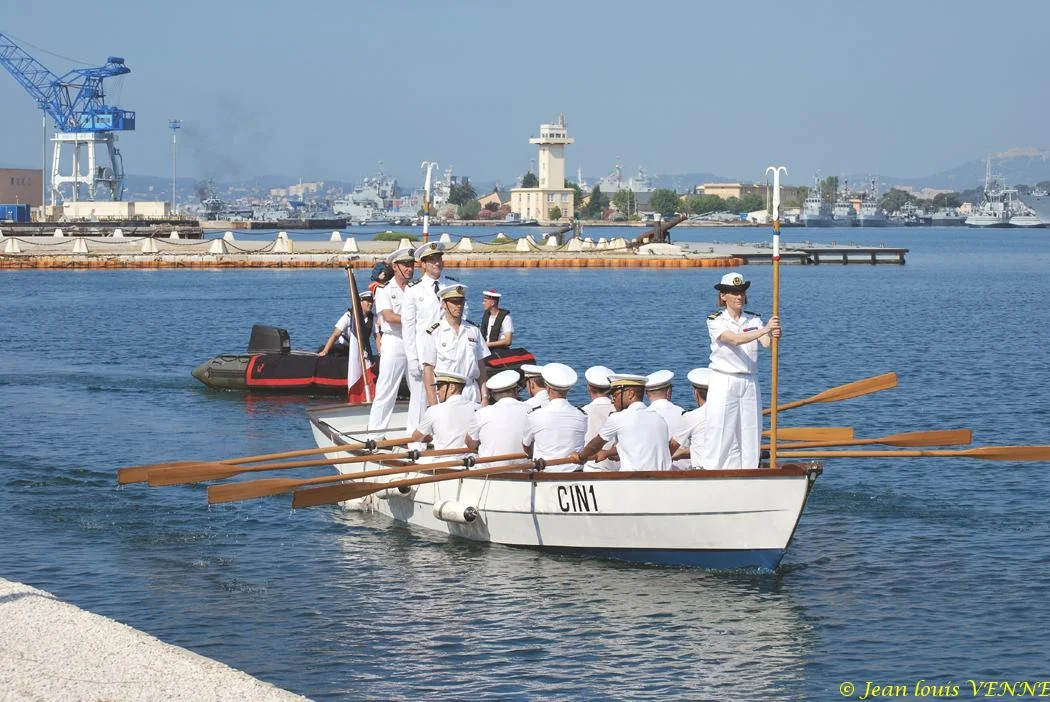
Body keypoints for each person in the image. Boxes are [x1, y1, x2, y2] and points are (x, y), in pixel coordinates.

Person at [702, 271, 781, 470]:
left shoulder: (754, 319)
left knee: (751, 430)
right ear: (723, 296)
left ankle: (750, 470)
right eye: (734, 292)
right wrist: (764, 330)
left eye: (741, 292)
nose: (739, 296)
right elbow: (734, 339)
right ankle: (712, 470)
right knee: (720, 429)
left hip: (749, 381)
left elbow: (766, 344)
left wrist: (774, 335)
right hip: (724, 379)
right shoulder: (716, 320)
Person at [401, 242, 464, 430]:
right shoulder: (413, 289)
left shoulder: (453, 286)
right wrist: (412, 358)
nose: (437, 263)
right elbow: (408, 326)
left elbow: (463, 318)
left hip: (448, 350)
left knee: (449, 395)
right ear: (423, 264)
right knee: (420, 399)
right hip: (423, 351)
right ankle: (416, 440)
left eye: (439, 259)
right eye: (432, 260)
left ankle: (445, 435)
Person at [574, 374, 671, 472]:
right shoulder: (658, 417)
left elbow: (595, 445)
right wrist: (608, 453)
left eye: (615, 395)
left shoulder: (618, 418)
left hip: (634, 481)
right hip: (663, 480)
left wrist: (580, 456)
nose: (613, 400)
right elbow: (639, 448)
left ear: (630, 394)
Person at [367, 247, 415, 434]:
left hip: (413, 340)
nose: (410, 268)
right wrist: (415, 319)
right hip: (394, 340)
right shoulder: (385, 290)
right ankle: (376, 434)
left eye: (411, 264)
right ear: (395, 266)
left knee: (419, 389)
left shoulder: (416, 288)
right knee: (387, 388)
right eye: (405, 265)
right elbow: (388, 316)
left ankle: (415, 433)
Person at [421, 284, 490, 406]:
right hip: (447, 394)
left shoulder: (473, 330)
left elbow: (481, 368)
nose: (458, 306)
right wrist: (432, 403)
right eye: (454, 302)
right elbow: (428, 370)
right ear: (443, 304)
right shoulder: (434, 332)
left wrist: (485, 397)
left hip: (471, 393)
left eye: (461, 302)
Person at [521, 363, 587, 471]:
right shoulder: (582, 415)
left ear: (547, 388)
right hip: (576, 473)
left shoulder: (534, 415)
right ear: (568, 389)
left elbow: (526, 446)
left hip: (545, 473)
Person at [465, 369, 528, 466]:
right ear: (515, 391)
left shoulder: (481, 413)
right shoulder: (530, 410)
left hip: (489, 472)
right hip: (524, 471)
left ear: (493, 395)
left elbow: (471, 444)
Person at [410, 371, 478, 452]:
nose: (437, 392)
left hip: (444, 461)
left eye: (439, 387)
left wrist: (430, 437)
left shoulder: (433, 410)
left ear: (452, 388)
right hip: (472, 461)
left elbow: (416, 437)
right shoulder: (478, 408)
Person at [645, 369, 688, 469]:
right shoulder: (684, 414)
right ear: (668, 392)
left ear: (647, 394)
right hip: (684, 473)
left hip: (654, 472)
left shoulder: (641, 416)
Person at [580, 365, 619, 471]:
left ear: (589, 388)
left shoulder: (582, 412)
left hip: (591, 469)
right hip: (618, 469)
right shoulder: (622, 411)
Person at [670, 368, 711, 470]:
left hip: (701, 474)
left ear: (695, 392)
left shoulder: (691, 416)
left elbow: (671, 447)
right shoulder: (730, 414)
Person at [319, 290, 375, 362]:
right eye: (368, 301)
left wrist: (380, 353)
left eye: (372, 302)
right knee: (324, 350)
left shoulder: (373, 318)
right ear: (360, 302)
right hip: (345, 348)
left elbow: (377, 336)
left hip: (360, 350)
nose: (370, 304)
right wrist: (325, 351)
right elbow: (335, 335)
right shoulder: (348, 316)